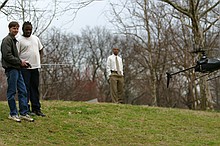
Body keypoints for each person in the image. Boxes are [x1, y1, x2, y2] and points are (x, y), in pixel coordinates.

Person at [1, 21, 34, 122]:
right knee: (12, 92)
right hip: (11, 69)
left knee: (23, 91)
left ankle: (24, 113)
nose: (16, 30)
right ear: (9, 29)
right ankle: (13, 114)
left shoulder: (14, 40)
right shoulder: (6, 40)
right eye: (14, 28)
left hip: (17, 69)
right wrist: (20, 62)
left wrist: (21, 63)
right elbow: (7, 56)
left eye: (17, 28)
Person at [17, 21, 45, 117]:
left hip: (35, 67)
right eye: (26, 29)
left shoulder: (36, 39)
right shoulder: (19, 40)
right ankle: (26, 109)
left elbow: (41, 49)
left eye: (30, 29)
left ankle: (36, 108)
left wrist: (39, 59)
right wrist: (21, 63)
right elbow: (16, 54)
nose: (28, 31)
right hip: (25, 69)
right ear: (23, 29)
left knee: (35, 89)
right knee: (26, 89)